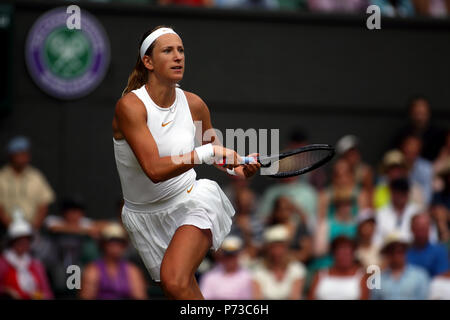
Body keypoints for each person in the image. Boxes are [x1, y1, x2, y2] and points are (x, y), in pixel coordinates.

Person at [112, 26, 260, 299]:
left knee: (175, 280)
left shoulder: (194, 105)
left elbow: (215, 154)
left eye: (181, 50)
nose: (178, 56)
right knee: (181, 288)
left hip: (190, 200)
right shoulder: (130, 107)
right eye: (168, 50)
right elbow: (155, 169)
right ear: (148, 62)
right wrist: (207, 154)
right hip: (142, 216)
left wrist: (240, 168)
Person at [80, 222, 148, 300]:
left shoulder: (132, 270)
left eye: (120, 243)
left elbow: (140, 296)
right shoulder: (93, 269)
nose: (116, 247)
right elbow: (86, 296)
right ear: (103, 245)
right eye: (112, 242)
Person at [0, 136, 55, 231]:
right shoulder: (2, 177)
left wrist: (34, 228)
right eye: (18, 154)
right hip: (6, 229)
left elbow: (43, 204)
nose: (22, 158)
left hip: (32, 229)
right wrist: (12, 227)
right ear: (11, 155)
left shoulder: (36, 176)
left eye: (25, 154)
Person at [0, 215, 53, 299]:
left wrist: (41, 296)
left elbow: (47, 292)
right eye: (19, 241)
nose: (23, 245)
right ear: (12, 242)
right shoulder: (3, 262)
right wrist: (7, 291)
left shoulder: (36, 264)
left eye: (26, 241)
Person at [252, 225, 306, 300]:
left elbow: (295, 296)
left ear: (286, 248)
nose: (277, 252)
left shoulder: (297, 269)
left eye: (281, 247)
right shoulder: (258, 271)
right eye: (273, 247)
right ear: (268, 249)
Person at [371, 233, 430, 300]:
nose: (396, 255)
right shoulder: (377, 280)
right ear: (387, 253)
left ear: (405, 251)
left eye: (399, 251)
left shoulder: (420, 276)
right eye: (392, 251)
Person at [374, 178, 431, 246]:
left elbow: (430, 237)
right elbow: (376, 239)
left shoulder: (418, 212)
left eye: (403, 193)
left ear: (408, 193)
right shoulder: (380, 213)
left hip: (413, 251)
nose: (400, 196)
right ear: (391, 193)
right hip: (387, 252)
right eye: (397, 192)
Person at [392, 96, 445, 161]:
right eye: (417, 113)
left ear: (428, 113)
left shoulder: (439, 135)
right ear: (411, 114)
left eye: (422, 114)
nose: (419, 118)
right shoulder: (402, 134)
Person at [407, 213, 449, 277]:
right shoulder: (403, 252)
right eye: (419, 228)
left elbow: (444, 276)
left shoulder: (439, 251)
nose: (421, 231)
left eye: (424, 228)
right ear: (412, 229)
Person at [400, 135, 433, 205]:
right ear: (403, 147)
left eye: (414, 146)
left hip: (418, 205)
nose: (411, 149)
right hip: (395, 204)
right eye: (409, 145)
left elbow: (427, 197)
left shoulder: (426, 168)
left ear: (419, 150)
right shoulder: (394, 163)